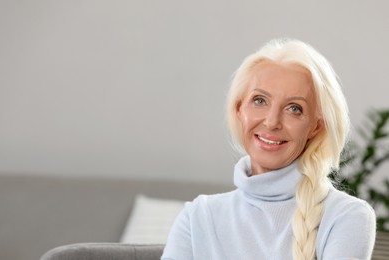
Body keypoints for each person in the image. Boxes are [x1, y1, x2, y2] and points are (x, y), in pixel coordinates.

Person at [161, 38, 376, 260]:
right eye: (260, 100)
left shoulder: (347, 217)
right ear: (239, 109)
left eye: (294, 108)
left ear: (315, 126)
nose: (272, 122)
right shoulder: (197, 217)